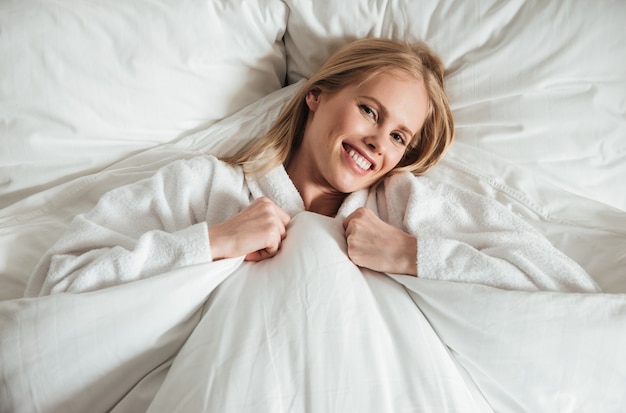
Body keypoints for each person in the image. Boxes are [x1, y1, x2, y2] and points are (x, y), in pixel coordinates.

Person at [25, 38, 597, 296]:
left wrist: (411, 254)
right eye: (369, 110)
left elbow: (561, 283)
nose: (378, 142)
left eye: (399, 135)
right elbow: (59, 280)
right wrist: (214, 241)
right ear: (316, 95)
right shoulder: (205, 184)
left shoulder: (405, 206)